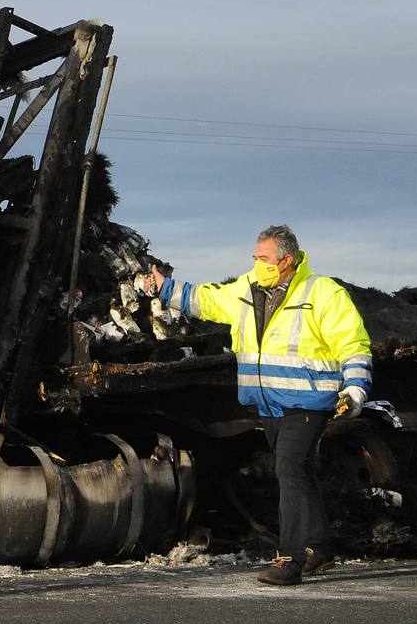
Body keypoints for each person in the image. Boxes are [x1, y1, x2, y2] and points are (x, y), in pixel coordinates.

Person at [149, 225, 372, 586]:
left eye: (264, 258)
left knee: (288, 469)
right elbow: (206, 300)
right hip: (269, 405)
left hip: (309, 401)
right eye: (255, 257)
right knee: (298, 471)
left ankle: (290, 558)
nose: (257, 263)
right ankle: (319, 547)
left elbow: (353, 345)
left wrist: (355, 389)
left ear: (287, 260)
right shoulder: (246, 290)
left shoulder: (324, 293)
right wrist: (166, 288)